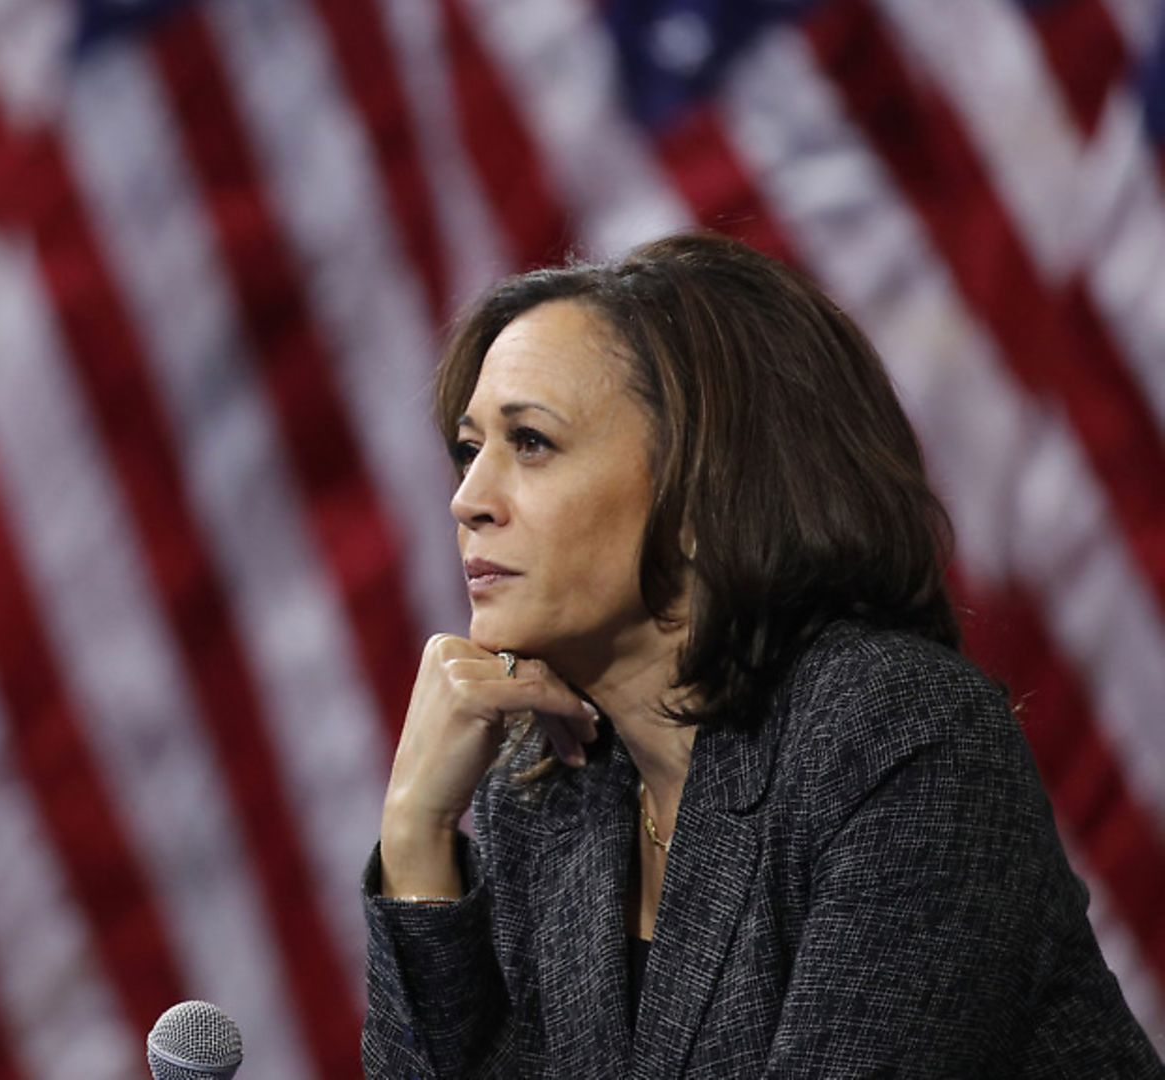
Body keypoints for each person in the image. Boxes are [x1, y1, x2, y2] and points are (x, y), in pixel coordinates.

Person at [361, 233, 1165, 1078]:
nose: (467, 499)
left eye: (530, 442)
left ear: (704, 488)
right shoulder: (548, 797)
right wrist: (417, 840)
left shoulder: (896, 741)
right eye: (468, 448)